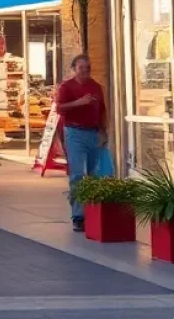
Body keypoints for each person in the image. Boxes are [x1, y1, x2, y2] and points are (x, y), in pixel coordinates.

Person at [56, 54, 108, 233]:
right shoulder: (66, 86)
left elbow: (101, 111)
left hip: (93, 132)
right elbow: (59, 108)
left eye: (88, 68)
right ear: (74, 69)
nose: (85, 71)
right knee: (77, 174)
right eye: (81, 68)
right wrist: (79, 102)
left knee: (94, 174)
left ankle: (94, 212)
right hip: (74, 132)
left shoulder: (96, 87)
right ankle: (78, 216)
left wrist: (103, 131)